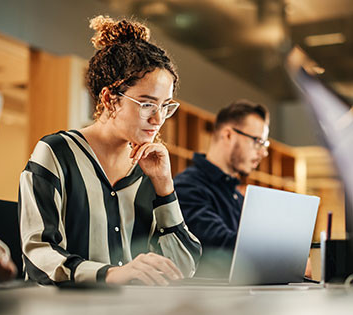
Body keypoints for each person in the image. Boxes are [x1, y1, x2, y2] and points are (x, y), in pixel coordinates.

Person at [18, 16, 201, 286]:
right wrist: (110, 274)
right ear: (109, 98)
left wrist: (164, 186)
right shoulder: (56, 153)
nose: (158, 119)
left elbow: (184, 268)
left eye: (165, 106)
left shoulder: (149, 169)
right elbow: (39, 257)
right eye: (147, 104)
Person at [174, 99, 270, 277]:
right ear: (228, 135)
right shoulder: (187, 187)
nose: (263, 152)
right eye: (257, 141)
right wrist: (280, 255)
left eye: (265, 145)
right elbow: (219, 245)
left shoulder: (237, 197)